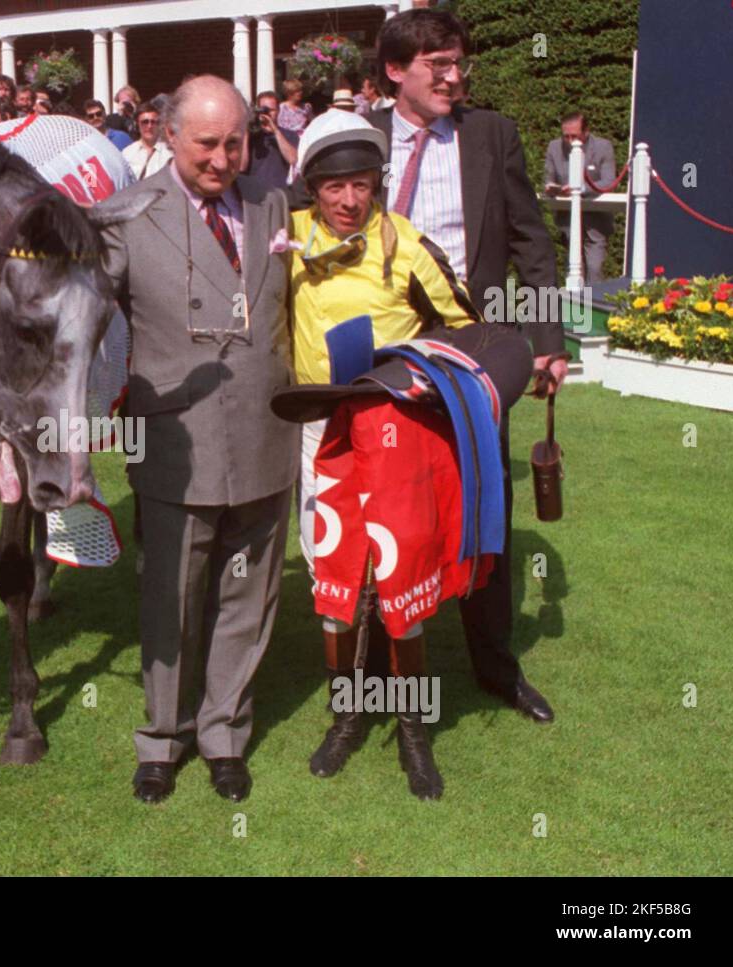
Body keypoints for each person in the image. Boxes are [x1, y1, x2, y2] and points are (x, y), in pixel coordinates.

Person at [100, 75, 298, 805]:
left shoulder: (275, 205)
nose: (221, 159)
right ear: (165, 133)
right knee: (171, 598)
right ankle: (163, 737)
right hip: (175, 443)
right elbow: (74, 304)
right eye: (206, 144)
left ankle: (224, 734)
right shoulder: (122, 217)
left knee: (249, 595)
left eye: (235, 141)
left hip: (267, 430)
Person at [370, 6, 563, 722]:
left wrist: (546, 339)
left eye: (459, 64)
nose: (454, 77)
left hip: (475, 344)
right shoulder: (360, 139)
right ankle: (376, 668)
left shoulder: (493, 135)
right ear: (396, 71)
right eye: (437, 66)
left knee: (487, 503)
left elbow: (531, 244)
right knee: (385, 504)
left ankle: (495, 665)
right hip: (381, 348)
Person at [288, 110, 485, 798]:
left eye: (363, 183)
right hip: (319, 433)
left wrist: (418, 373)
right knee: (335, 590)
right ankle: (347, 714)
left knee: (404, 588)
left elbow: (466, 328)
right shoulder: (288, 241)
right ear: (313, 185)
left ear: (377, 182)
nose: (349, 200)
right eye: (335, 186)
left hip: (394, 431)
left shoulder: (405, 244)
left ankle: (414, 730)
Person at [544, 111, 616, 283]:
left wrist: (580, 188)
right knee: (573, 270)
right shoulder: (554, 147)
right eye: (566, 136)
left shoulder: (603, 147)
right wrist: (552, 188)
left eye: (574, 136)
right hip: (567, 220)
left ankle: (594, 306)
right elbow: (548, 178)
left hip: (596, 220)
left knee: (594, 268)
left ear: (586, 131)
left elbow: (608, 181)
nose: (570, 141)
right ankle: (574, 308)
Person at [245, 90, 299, 190]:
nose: (267, 113)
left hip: (278, 191)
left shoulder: (289, 135)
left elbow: (293, 159)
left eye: (271, 110)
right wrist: (247, 130)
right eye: (263, 109)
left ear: (278, 111)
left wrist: (275, 131)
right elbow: (241, 166)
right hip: (252, 191)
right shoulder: (249, 134)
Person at [121, 98, 171, 180]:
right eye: (145, 122)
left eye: (153, 122)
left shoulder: (169, 152)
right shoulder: (127, 153)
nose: (149, 126)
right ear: (137, 124)